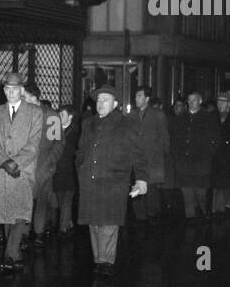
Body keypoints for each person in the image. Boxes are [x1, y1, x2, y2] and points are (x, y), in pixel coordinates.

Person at [76, 85, 149, 276]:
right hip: (90, 181)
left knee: (108, 223)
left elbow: (138, 155)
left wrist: (141, 179)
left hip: (113, 182)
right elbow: (81, 151)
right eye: (98, 100)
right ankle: (99, 259)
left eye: (105, 100)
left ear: (115, 104)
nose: (100, 104)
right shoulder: (87, 123)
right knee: (94, 223)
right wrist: (81, 168)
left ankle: (106, 262)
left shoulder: (126, 125)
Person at [0, 72, 43, 273]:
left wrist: (16, 163)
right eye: (7, 89)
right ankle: (14, 252)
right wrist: (4, 162)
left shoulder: (35, 113)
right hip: (1, 170)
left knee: (19, 213)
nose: (11, 92)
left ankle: (9, 255)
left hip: (23, 170)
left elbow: (34, 144)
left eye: (15, 89)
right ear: (4, 90)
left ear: (22, 90)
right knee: (6, 214)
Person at [168, 90, 220, 222]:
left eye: (194, 100)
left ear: (200, 101)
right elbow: (174, 139)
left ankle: (203, 214)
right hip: (183, 163)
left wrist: (208, 154)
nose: (191, 103)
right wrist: (177, 155)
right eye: (189, 101)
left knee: (200, 192)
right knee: (187, 193)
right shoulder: (180, 118)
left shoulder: (209, 118)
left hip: (201, 163)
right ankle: (190, 220)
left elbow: (215, 139)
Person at [25, 82, 60, 248]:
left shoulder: (51, 116)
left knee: (41, 202)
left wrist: (50, 161)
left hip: (44, 166)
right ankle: (23, 234)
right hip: (25, 166)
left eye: (24, 97)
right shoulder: (21, 115)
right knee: (25, 201)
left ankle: (39, 232)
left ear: (34, 97)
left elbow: (58, 143)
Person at [130, 86, 170, 223]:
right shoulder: (131, 115)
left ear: (147, 99)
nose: (136, 99)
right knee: (137, 188)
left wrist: (161, 153)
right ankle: (139, 217)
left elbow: (164, 138)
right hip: (136, 159)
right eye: (136, 96)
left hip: (153, 159)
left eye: (139, 96)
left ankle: (153, 216)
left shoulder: (158, 115)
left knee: (151, 190)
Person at [52, 104, 81, 235]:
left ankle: (62, 229)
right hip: (57, 171)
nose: (59, 117)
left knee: (67, 200)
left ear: (70, 116)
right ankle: (68, 222)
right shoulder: (54, 130)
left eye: (62, 115)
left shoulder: (76, 132)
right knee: (59, 198)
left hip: (70, 171)